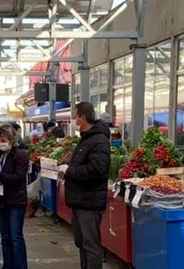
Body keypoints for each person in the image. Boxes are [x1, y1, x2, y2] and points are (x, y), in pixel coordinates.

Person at [60, 102, 110, 269]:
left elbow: (96, 169)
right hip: (80, 200)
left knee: (91, 245)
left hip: (90, 201)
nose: (73, 120)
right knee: (81, 243)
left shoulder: (99, 140)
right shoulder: (86, 139)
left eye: (74, 116)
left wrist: (69, 170)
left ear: (82, 118)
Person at [0, 123, 29, 269]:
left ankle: (20, 266)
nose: (0, 143)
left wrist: (0, 176)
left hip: (16, 200)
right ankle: (8, 265)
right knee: (5, 237)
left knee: (15, 237)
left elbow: (19, 177)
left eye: (3, 140)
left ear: (11, 140)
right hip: (0, 200)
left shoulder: (20, 155)